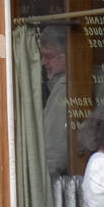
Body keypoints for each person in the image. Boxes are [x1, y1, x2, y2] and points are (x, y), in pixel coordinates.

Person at [39, 25, 69, 180]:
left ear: (68, 55)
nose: (43, 62)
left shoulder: (64, 89)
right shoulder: (58, 86)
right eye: (42, 56)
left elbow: (54, 153)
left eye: (49, 56)